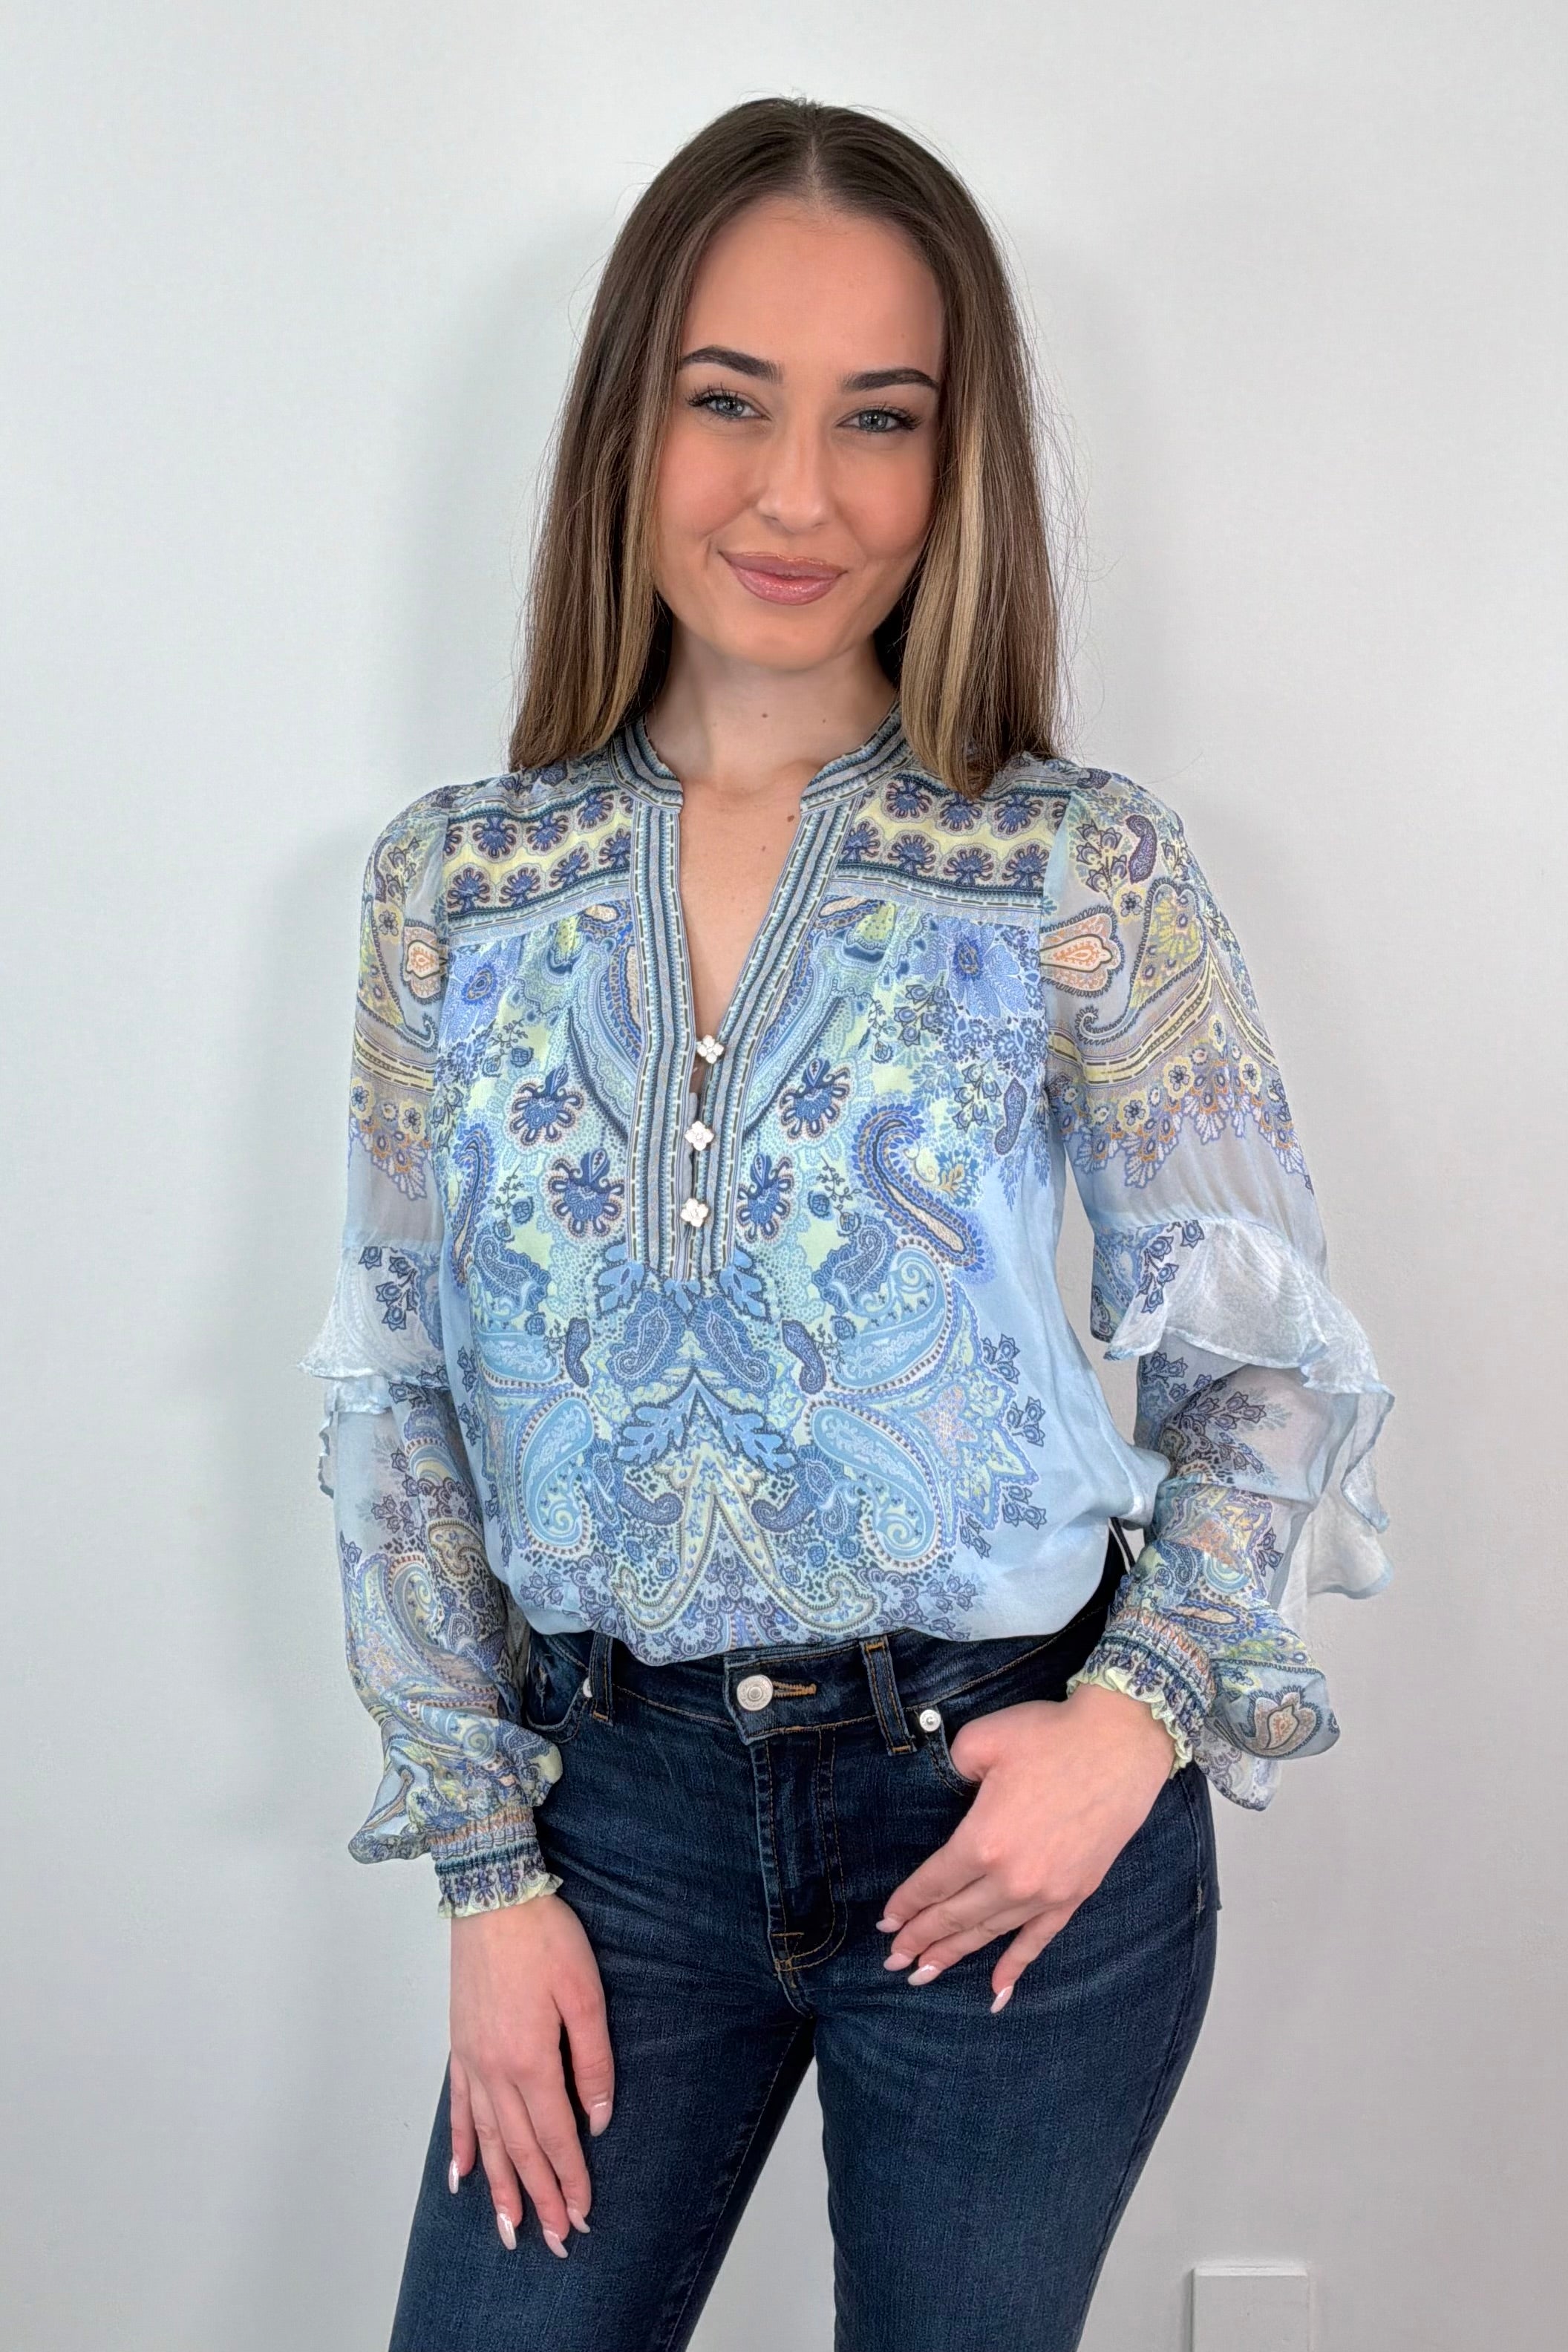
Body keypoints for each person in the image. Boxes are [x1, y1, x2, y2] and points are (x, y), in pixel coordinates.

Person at [303, 95, 1392, 2352]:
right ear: (630, 423)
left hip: (998, 1818)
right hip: (610, 1830)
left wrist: (1134, 1725)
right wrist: (487, 1875)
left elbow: (1262, 1359)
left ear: (951, 463)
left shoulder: (1072, 867)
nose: (798, 495)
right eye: (730, 401)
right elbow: (400, 1396)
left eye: (878, 418)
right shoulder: (452, 887)